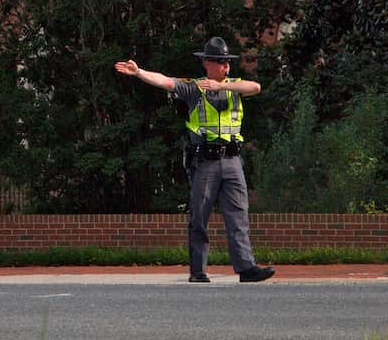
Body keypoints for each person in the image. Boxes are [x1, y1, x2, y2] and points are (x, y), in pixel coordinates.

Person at [116, 37, 275, 284]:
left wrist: (222, 87)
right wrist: (139, 73)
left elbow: (255, 87)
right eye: (221, 62)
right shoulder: (194, 87)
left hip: (232, 160)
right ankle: (198, 271)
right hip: (206, 161)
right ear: (207, 64)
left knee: (238, 216)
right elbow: (166, 81)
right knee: (199, 217)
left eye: (227, 62)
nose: (226, 66)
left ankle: (246, 268)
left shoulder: (234, 85)